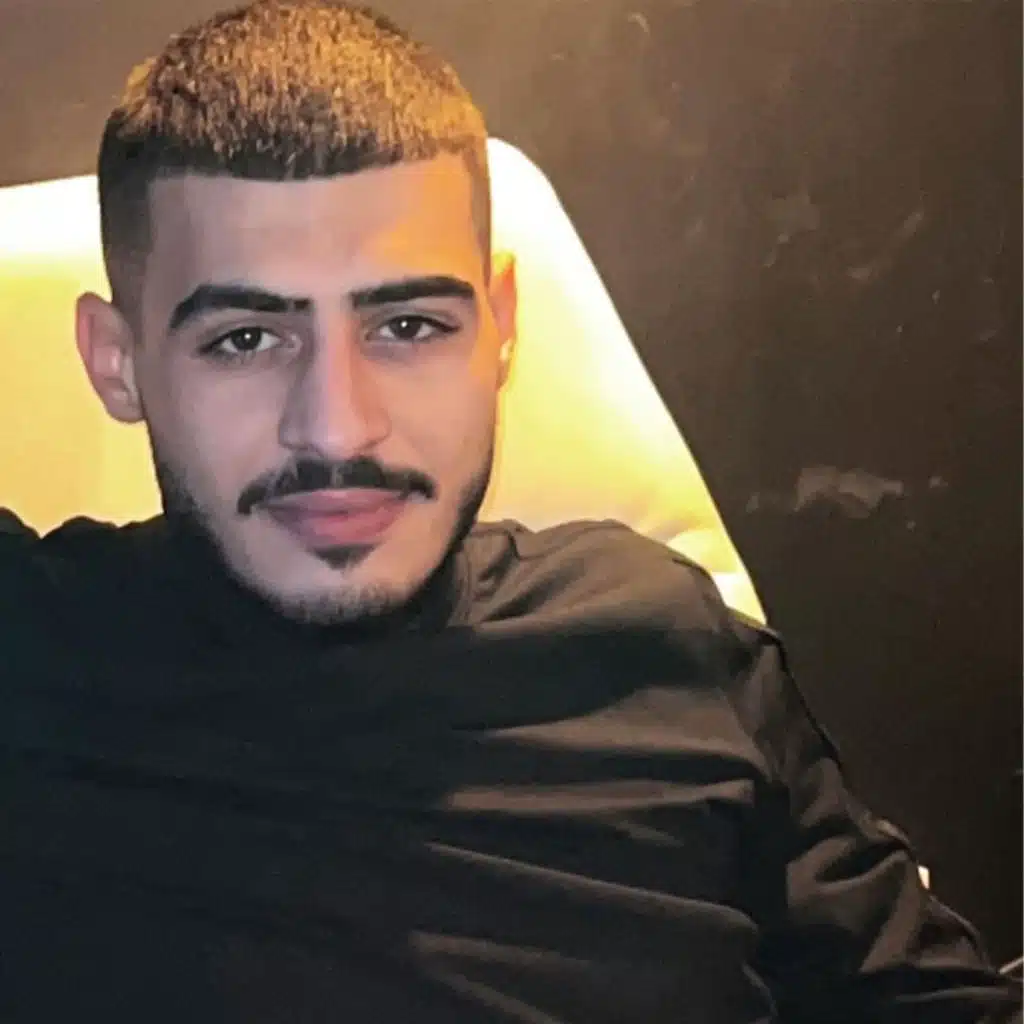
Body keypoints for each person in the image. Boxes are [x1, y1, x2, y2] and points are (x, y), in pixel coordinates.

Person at [0, 2, 1019, 1021]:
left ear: (499, 327)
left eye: (408, 325)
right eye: (245, 339)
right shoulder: (31, 651)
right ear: (118, 362)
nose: (338, 428)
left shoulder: (663, 641)